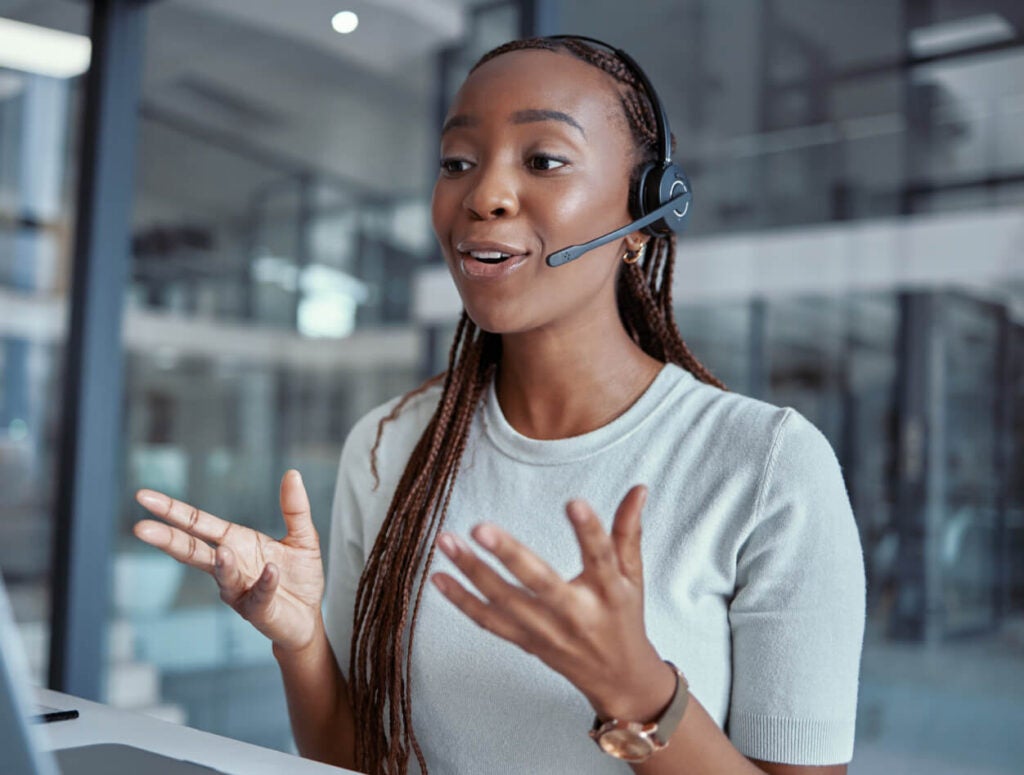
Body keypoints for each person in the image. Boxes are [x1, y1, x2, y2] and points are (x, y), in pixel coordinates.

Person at [133, 36, 864, 775]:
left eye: (544, 160)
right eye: (458, 162)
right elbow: (361, 758)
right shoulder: (390, 443)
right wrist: (299, 642)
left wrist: (634, 687)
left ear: (644, 215)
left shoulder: (768, 466)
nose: (484, 194)